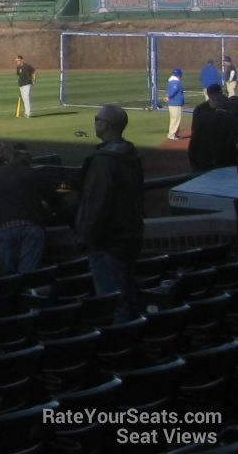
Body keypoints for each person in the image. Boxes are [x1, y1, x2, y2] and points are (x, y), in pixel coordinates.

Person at [76, 104, 145, 322]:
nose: (95, 122)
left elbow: (97, 204)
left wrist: (86, 237)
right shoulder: (131, 155)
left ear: (105, 125)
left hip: (108, 243)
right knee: (127, 297)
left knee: (114, 302)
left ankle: (122, 348)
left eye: (97, 119)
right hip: (130, 237)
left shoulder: (104, 161)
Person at [0, 145, 60, 275]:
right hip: (32, 225)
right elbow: (56, 202)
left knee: (9, 274)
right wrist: (73, 223)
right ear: (28, 163)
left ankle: (14, 293)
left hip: (4, 227)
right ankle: (28, 293)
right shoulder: (34, 174)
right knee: (28, 274)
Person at [190, 84, 238, 171]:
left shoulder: (200, 109)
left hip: (205, 157)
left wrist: (192, 156)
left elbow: (195, 133)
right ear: (220, 92)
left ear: (208, 94)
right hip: (227, 157)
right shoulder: (230, 106)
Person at [166, 67, 186, 140]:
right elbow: (173, 91)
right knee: (175, 119)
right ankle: (172, 135)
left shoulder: (171, 81)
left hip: (174, 103)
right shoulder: (176, 82)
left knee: (175, 119)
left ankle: (175, 134)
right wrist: (168, 97)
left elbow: (168, 90)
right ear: (179, 75)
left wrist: (167, 97)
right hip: (175, 104)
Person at [15, 55, 37, 120]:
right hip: (21, 85)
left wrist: (34, 79)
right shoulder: (18, 67)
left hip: (27, 84)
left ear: (21, 60)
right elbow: (19, 75)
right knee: (24, 99)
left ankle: (28, 113)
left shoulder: (27, 66)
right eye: (16, 61)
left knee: (26, 98)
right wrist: (19, 84)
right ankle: (26, 112)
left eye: (18, 60)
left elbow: (34, 71)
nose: (17, 62)